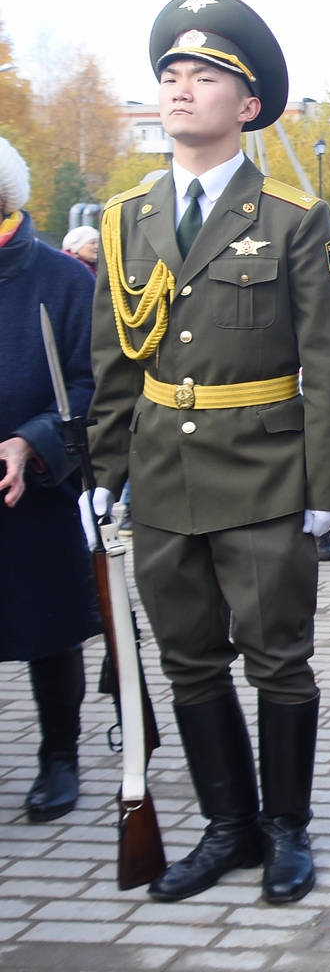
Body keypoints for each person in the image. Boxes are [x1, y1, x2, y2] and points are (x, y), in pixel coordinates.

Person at [88, 0, 330, 904]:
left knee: (277, 655)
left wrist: (329, 485)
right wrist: (105, 473)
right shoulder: (128, 216)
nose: (181, 88)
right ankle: (227, 828)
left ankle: (286, 829)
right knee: (187, 658)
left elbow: (329, 360)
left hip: (269, 470)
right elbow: (116, 360)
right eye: (171, 73)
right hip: (164, 472)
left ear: (247, 106)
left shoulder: (292, 215)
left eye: (204, 75)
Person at [0, 136, 100, 823]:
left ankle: (58, 757)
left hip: (37, 494)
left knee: (49, 632)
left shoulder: (63, 282)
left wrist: (30, 442)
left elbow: (96, 387)